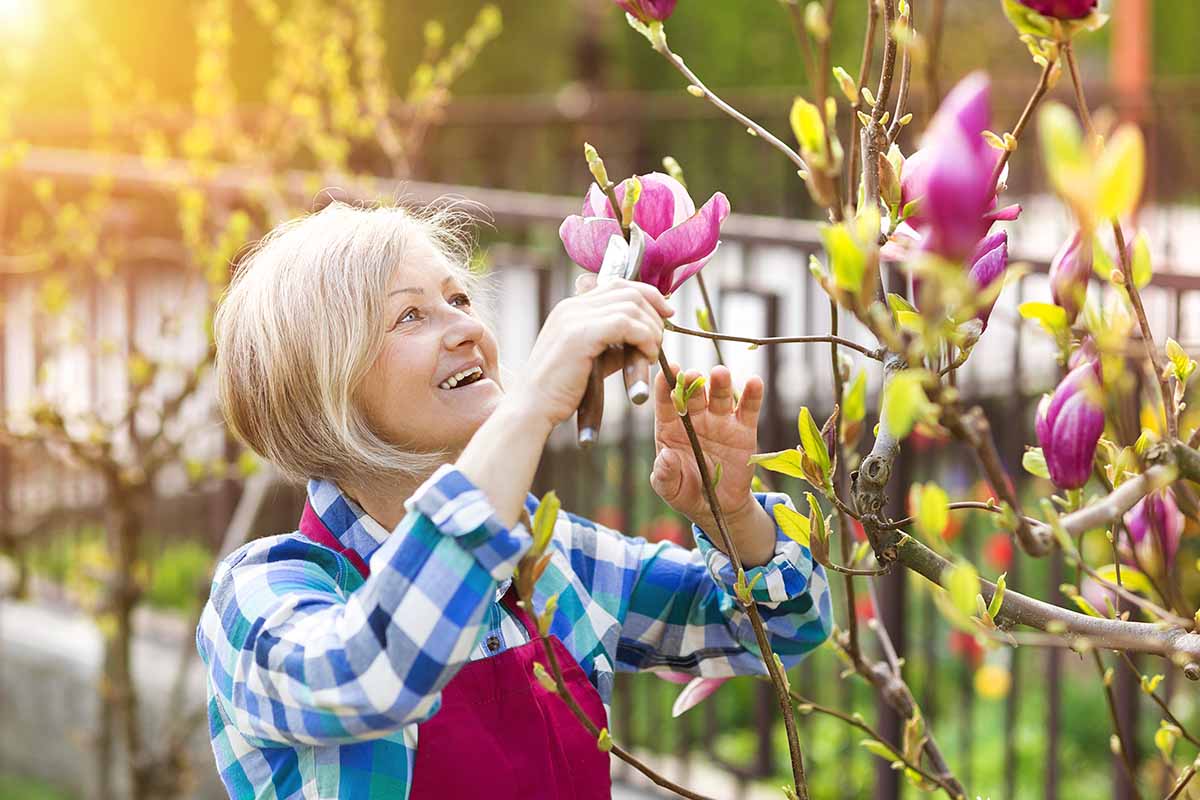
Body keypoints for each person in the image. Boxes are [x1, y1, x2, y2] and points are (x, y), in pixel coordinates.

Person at [197, 200, 832, 800]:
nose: (468, 327)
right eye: (410, 315)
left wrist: (730, 515)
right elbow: (371, 673)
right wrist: (530, 405)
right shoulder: (262, 597)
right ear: (320, 385)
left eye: (459, 298)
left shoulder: (551, 558)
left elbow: (781, 631)